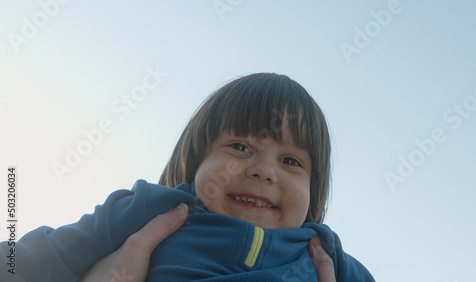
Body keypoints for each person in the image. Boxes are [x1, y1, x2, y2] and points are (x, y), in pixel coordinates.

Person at [0, 73, 375, 281]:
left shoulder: (325, 254)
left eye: (291, 160)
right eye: (240, 147)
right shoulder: (151, 210)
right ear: (197, 160)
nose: (263, 170)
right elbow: (29, 260)